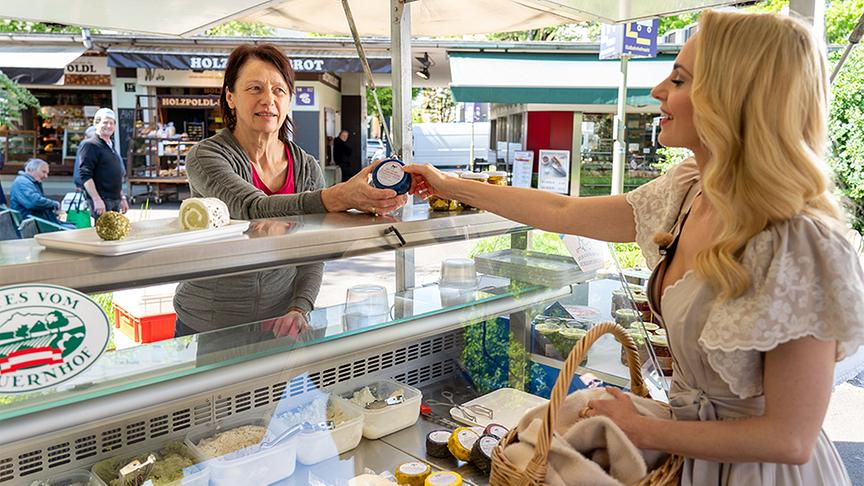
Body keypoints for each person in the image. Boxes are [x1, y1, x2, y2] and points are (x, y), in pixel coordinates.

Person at [407, 10, 860, 485]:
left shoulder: (801, 242)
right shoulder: (688, 190)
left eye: (679, 79)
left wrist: (641, 427)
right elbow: (564, 213)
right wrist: (451, 186)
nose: (659, 91)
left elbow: (788, 440)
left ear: (733, 96)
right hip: (688, 458)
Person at [174, 44, 406, 341]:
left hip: (281, 322)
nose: (268, 100)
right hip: (210, 322)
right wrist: (337, 197)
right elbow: (250, 208)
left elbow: (313, 250)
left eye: (279, 91)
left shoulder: (306, 166)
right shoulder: (206, 157)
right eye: (254, 88)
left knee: (271, 390)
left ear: (289, 100)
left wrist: (300, 307)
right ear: (230, 97)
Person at [78, 108, 128, 219]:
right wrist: (96, 199)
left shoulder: (111, 145)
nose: (109, 126)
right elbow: (85, 175)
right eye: (105, 122)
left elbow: (115, 175)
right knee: (103, 235)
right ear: (96, 123)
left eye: (111, 123)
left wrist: (122, 198)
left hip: (115, 199)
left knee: (115, 234)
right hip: (102, 200)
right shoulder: (90, 145)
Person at [9, 159, 74, 228]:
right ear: (30, 170)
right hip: (33, 225)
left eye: (47, 173)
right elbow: (34, 202)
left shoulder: (29, 182)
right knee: (73, 230)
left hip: (37, 222)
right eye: (43, 172)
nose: (46, 176)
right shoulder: (22, 182)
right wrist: (54, 204)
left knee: (73, 227)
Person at [72, 125, 98, 190]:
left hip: (86, 183)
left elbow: (79, 165)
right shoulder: (87, 145)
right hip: (93, 184)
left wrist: (78, 183)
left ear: (85, 137)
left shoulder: (84, 144)